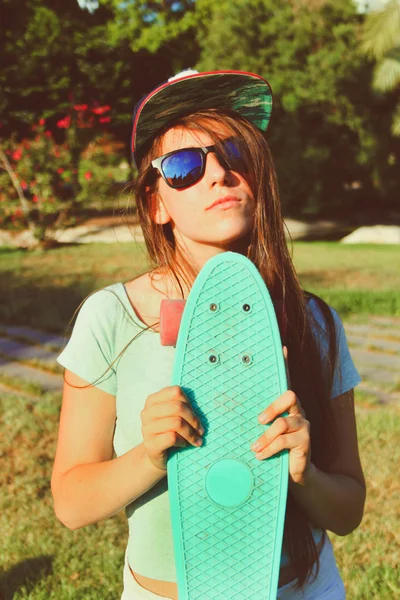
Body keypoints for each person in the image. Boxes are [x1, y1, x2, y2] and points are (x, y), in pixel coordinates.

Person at [51, 70, 366, 599]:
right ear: (155, 204)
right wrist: (149, 455)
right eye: (182, 166)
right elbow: (71, 503)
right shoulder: (113, 318)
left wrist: (305, 472)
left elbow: (349, 510)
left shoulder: (315, 323)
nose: (217, 174)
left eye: (234, 154)